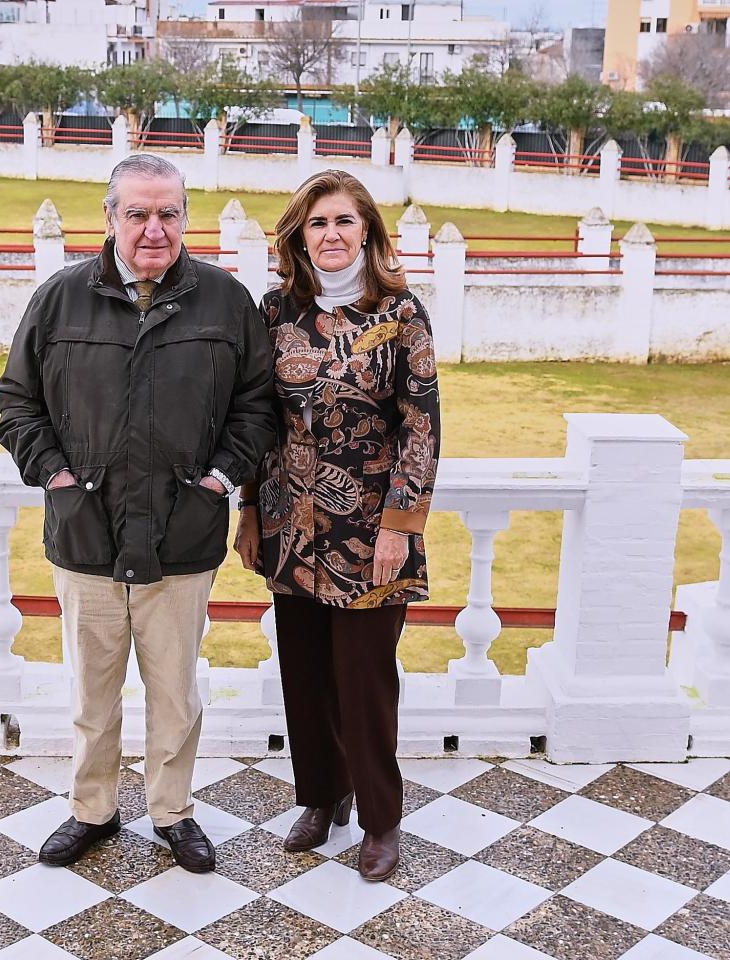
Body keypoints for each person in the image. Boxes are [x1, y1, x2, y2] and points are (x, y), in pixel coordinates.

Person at [0, 154, 275, 873]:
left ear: (186, 216)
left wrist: (218, 479)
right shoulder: (59, 300)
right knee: (93, 693)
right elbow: (17, 402)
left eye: (169, 213)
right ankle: (91, 809)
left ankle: (173, 813)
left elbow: (257, 406)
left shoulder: (225, 301)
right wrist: (54, 473)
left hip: (183, 535)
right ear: (111, 216)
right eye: (138, 213)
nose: (154, 229)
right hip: (84, 534)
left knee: (175, 694)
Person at [234, 169, 441, 882]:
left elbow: (421, 426)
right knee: (307, 676)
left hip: (369, 535)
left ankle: (382, 819)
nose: (331, 235)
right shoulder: (275, 312)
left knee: (364, 682)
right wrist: (251, 511)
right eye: (317, 223)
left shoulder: (403, 314)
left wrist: (400, 527)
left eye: (344, 222)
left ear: (369, 232)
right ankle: (323, 797)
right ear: (299, 235)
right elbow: (259, 418)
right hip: (292, 528)